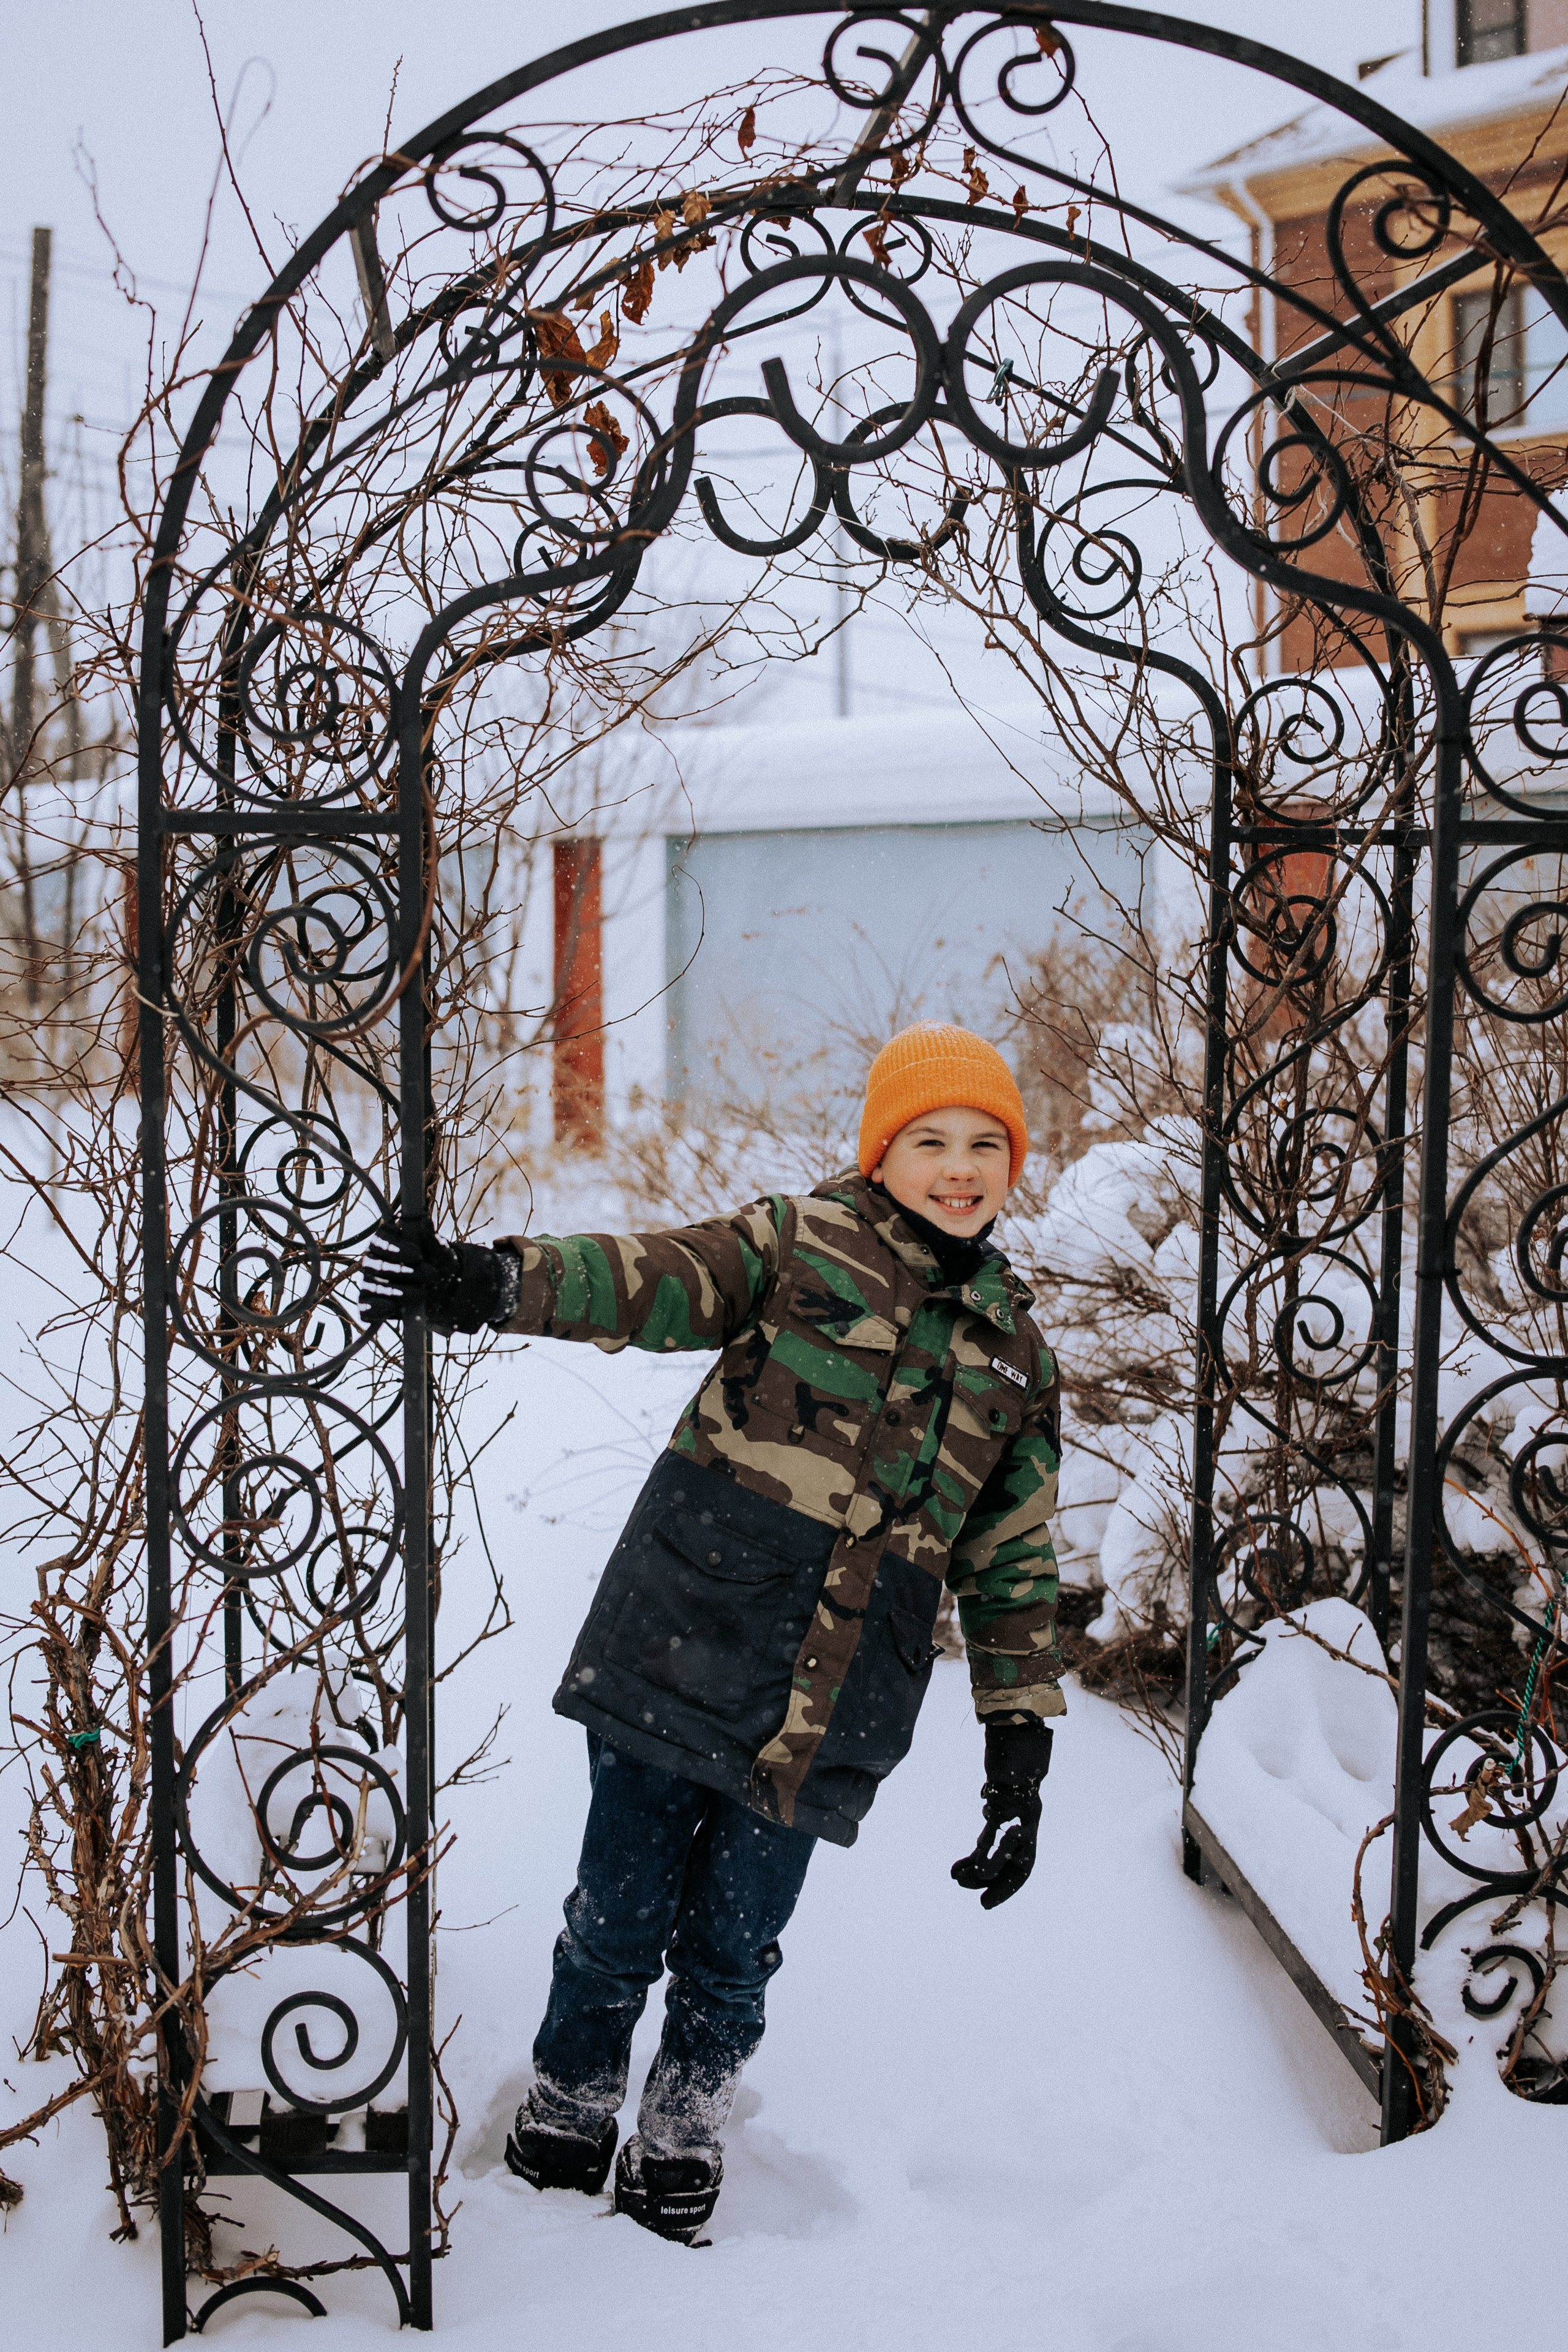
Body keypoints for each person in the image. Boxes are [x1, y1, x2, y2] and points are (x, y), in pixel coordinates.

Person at [360, 1023, 1064, 2244]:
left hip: (839, 1695)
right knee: (618, 1913)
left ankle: (685, 2114)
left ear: (1013, 1166)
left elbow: (1011, 1561)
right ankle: (574, 2098)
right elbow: (651, 1278)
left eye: (984, 1144)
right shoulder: (799, 1246)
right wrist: (493, 1283)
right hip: (688, 1633)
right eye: (928, 1139)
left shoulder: (1015, 1356)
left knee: (739, 1938)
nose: (959, 1166)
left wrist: (1017, 1740)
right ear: (880, 1154)